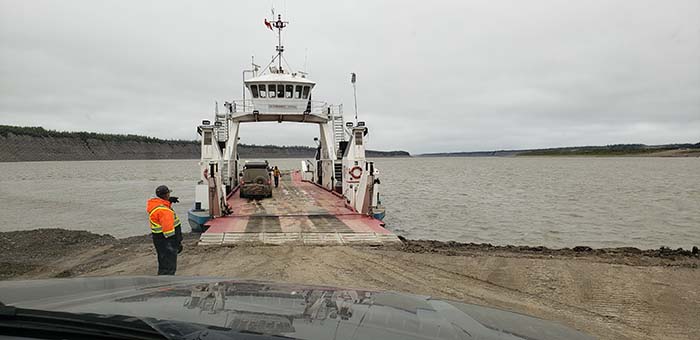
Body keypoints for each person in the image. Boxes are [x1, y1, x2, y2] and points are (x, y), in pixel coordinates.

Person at [146, 185, 183, 275]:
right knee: (169, 265)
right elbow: (169, 231)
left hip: (159, 239)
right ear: (166, 195)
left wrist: (169, 201)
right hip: (167, 241)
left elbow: (160, 207)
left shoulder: (156, 205)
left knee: (163, 261)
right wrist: (177, 243)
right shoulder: (165, 211)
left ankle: (162, 282)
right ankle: (167, 285)